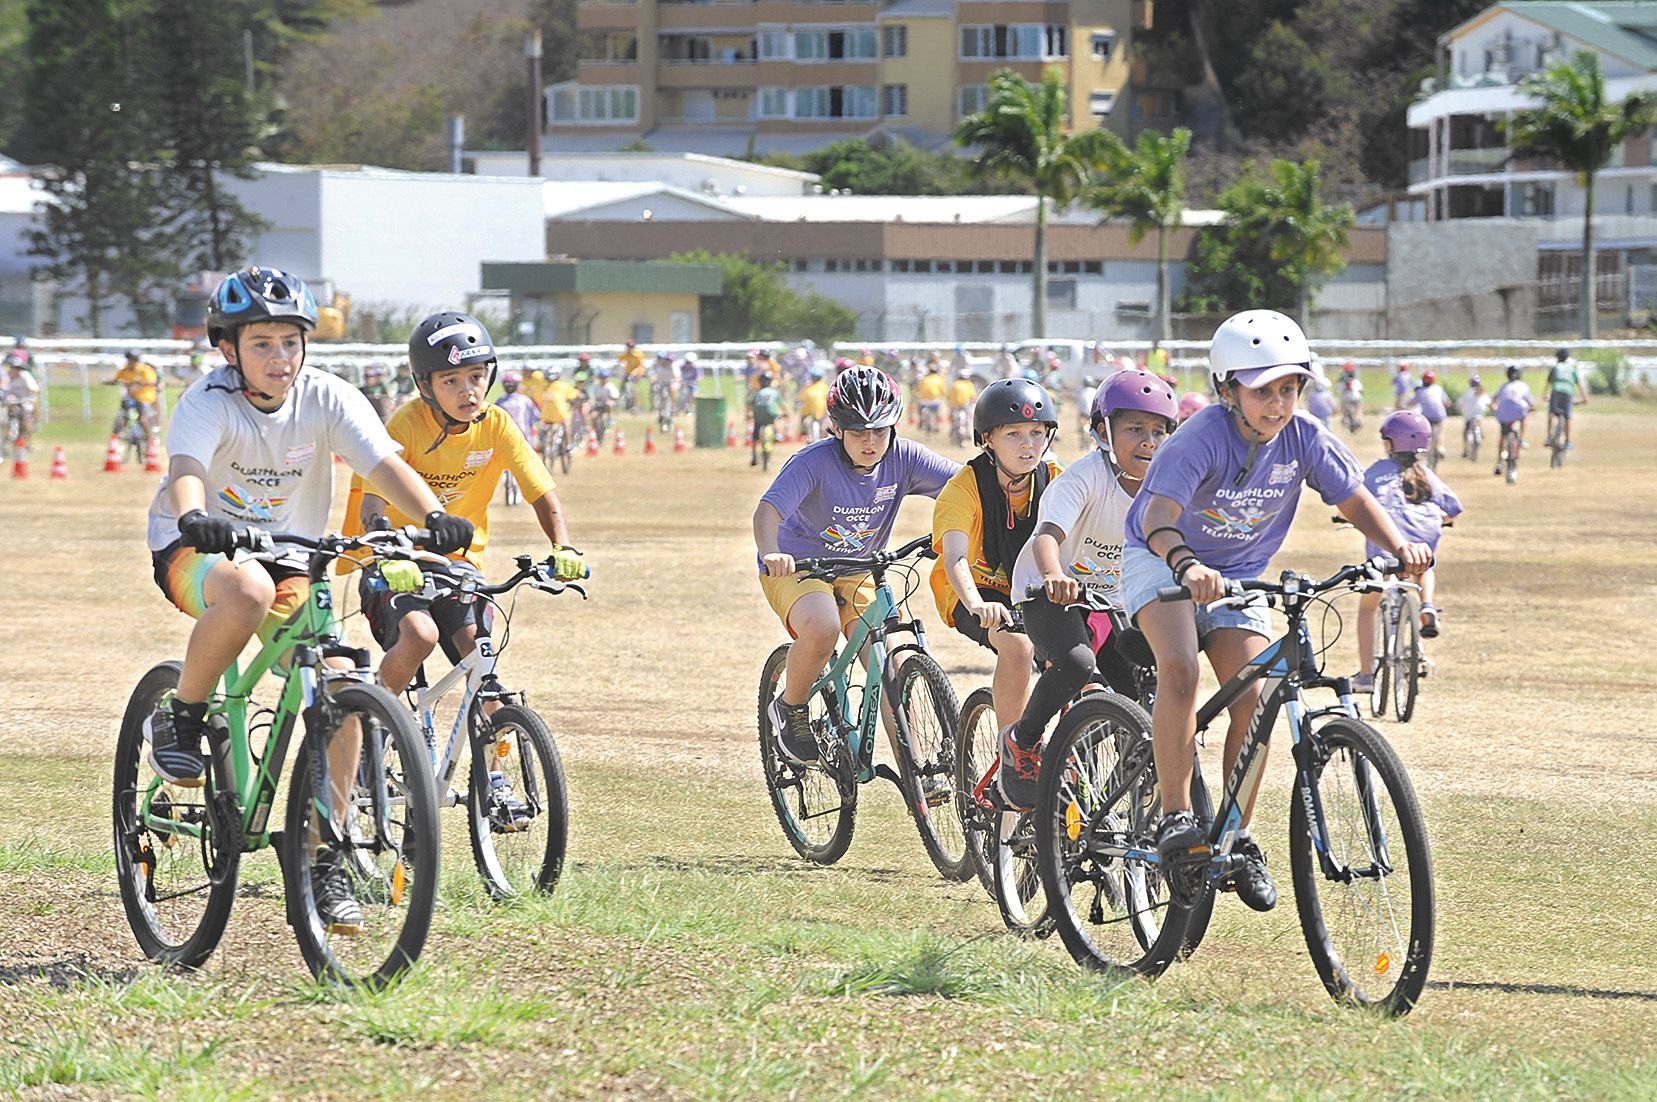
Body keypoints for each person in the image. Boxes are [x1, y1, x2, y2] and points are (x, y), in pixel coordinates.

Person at [142, 267, 473, 933]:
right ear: (228, 348)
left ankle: (327, 852)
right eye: (261, 344)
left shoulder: (328, 397)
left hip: (294, 556)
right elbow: (186, 474)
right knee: (245, 589)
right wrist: (193, 516)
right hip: (198, 549)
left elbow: (383, 467)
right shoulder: (208, 402)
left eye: (290, 343)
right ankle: (181, 715)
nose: (279, 358)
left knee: (343, 682)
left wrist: (434, 514)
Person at [1122, 310, 1431, 912]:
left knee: (1259, 700)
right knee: (1180, 668)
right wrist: (1186, 565)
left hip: (1236, 576)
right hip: (1162, 561)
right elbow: (1158, 518)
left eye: (1289, 388)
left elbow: (1352, 495)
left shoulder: (1304, 437)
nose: (1278, 403)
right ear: (1226, 388)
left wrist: (1399, 549)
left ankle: (1234, 836)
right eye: (1263, 389)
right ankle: (1175, 816)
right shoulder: (1198, 438)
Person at [346, 311, 584, 723]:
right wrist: (387, 552)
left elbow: (540, 491)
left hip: (457, 565)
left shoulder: (496, 425)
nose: (467, 391)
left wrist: (562, 546)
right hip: (395, 561)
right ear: (426, 385)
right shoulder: (405, 425)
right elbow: (372, 502)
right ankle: (369, 729)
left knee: (482, 659)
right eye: (450, 381)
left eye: (476, 376)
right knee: (419, 635)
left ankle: (495, 778)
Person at [754, 367, 959, 765]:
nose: (870, 441)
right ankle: (790, 707)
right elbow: (768, 512)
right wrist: (769, 552)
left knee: (891, 661)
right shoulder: (812, 462)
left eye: (880, 431)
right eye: (859, 432)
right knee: (823, 627)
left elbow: (963, 488)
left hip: (859, 568)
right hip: (799, 565)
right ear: (836, 429)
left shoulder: (904, 457)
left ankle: (918, 767)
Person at [995, 371, 1176, 810]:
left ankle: (1119, 779)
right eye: (1135, 429)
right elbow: (1046, 535)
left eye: (1159, 431)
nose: (1149, 441)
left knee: (1145, 687)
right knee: (1076, 663)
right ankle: (1022, 742)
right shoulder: (1083, 479)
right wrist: (1055, 574)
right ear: (1103, 432)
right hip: (1046, 590)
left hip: (1114, 599)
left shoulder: (1164, 489)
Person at [931, 380, 1061, 736]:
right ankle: (1013, 753)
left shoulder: (1056, 479)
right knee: (1018, 645)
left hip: (1031, 589)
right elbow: (955, 558)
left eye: (1037, 432)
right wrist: (977, 605)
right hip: (975, 592)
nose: (1028, 445)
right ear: (987, 437)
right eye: (1014, 434)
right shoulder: (962, 488)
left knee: (1077, 656)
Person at [1354, 410, 1463, 691]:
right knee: (1425, 565)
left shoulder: (1377, 471)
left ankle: (1366, 676)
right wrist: (1439, 519)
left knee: (1368, 607)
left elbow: (1354, 500)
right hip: (1422, 543)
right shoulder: (1426, 474)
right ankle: (1427, 604)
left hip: (1385, 550)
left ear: (1389, 443)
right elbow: (1453, 508)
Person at [1492, 364, 1535, 483]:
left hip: (1503, 413)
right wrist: (1532, 408)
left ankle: (1499, 462)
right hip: (1518, 412)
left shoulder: (1503, 386)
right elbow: (1531, 403)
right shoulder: (1523, 386)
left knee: (1503, 435)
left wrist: (1494, 408)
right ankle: (1522, 439)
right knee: (1524, 416)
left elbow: (1494, 400)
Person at [109, 348, 161, 438]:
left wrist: (141, 382)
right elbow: (116, 380)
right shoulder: (124, 370)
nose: (130, 363)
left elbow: (152, 381)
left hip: (144, 397)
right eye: (129, 361)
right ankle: (115, 437)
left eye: (132, 361)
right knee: (122, 415)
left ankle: (150, 440)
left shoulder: (145, 370)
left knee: (142, 417)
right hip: (131, 397)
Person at [1545, 346, 1590, 451]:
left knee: (1551, 414)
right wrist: (1584, 399)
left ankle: (1549, 437)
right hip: (1567, 393)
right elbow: (1579, 384)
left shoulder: (1556, 368)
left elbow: (1548, 383)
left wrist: (1544, 396)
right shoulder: (1571, 369)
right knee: (1567, 417)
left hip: (1556, 391)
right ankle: (1568, 441)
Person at [1410, 367, 1449, 465]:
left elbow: (1412, 402)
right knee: (1440, 432)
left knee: (1424, 434)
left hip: (1427, 417)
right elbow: (1447, 402)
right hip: (1440, 416)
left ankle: (1422, 450)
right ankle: (1440, 447)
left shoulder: (1419, 391)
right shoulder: (1438, 389)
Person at [4, 351, 40, 446]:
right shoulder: (7, 376)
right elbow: (4, 388)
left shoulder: (25, 376)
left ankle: (27, 435)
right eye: (13, 367)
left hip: (25, 400)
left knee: (26, 412)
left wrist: (30, 392)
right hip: (11, 400)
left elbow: (34, 388)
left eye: (17, 368)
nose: (15, 370)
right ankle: (7, 431)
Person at [749, 370, 784, 466]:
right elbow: (782, 404)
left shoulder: (758, 392)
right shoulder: (774, 391)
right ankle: (778, 434)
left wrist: (749, 414)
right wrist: (786, 413)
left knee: (755, 435)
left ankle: (754, 456)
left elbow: (751, 404)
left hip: (758, 416)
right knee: (776, 418)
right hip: (770, 414)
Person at [495, 370, 540, 442]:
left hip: (505, 438)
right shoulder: (525, 400)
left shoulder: (499, 401)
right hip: (524, 438)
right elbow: (534, 418)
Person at [1458, 372, 1488, 458]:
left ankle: (1465, 448)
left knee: (1466, 431)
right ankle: (1480, 432)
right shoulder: (1482, 391)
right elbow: (1487, 403)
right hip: (1478, 416)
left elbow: (1460, 404)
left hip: (1468, 416)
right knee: (1479, 422)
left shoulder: (1467, 392)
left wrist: (1461, 410)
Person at [796, 367, 829, 440]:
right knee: (823, 427)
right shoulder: (824, 386)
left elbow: (800, 399)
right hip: (818, 413)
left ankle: (805, 434)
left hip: (812, 412)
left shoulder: (808, 386)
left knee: (805, 423)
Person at [946, 368, 978, 441]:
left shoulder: (954, 384)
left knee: (954, 420)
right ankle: (968, 434)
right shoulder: (969, 384)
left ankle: (952, 434)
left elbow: (949, 396)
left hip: (955, 406)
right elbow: (973, 397)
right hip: (965, 405)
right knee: (967, 419)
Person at [915, 361, 946, 433]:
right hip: (935, 402)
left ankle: (921, 421)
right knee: (938, 412)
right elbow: (943, 392)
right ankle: (937, 425)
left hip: (923, 402)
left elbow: (918, 390)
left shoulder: (924, 379)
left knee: (919, 409)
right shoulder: (940, 379)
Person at [1306, 356, 1337, 428]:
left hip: (1313, 384)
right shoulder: (1327, 394)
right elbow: (1333, 404)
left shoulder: (1313, 395)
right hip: (1325, 413)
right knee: (1327, 424)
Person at [1338, 360, 1363, 429]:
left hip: (1347, 396)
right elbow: (1361, 390)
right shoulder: (1356, 378)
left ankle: (1352, 423)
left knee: (1346, 411)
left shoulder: (1343, 377)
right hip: (1356, 396)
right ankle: (1355, 422)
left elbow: (1340, 389)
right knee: (1354, 411)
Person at [1076, 375, 1099, 443]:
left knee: (1080, 422)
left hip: (1083, 413)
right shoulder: (1095, 391)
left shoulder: (1081, 391)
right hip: (1092, 412)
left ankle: (1080, 429)